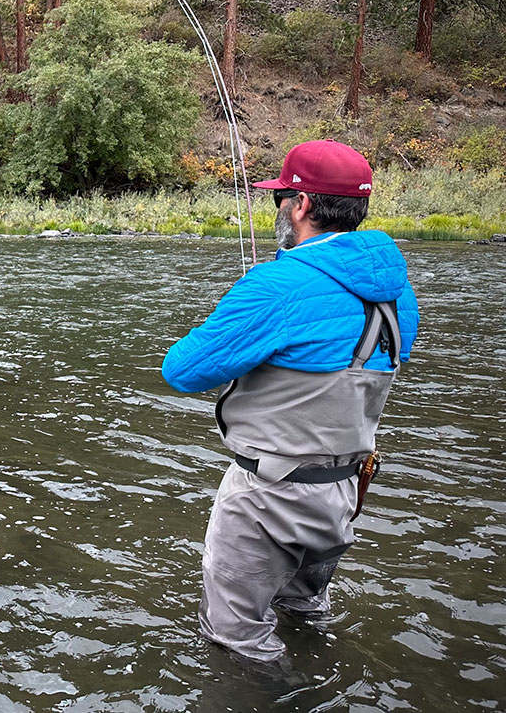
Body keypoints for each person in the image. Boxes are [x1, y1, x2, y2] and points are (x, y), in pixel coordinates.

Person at [161, 139, 420, 663]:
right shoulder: (398, 291)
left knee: (237, 641)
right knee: (305, 610)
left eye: (281, 196)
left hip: (270, 498)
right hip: (344, 493)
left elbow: (183, 371)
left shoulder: (276, 286)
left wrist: (246, 304)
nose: (277, 206)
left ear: (300, 206)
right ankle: (323, 667)